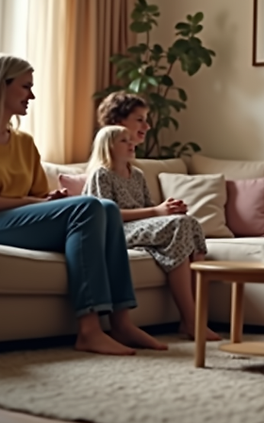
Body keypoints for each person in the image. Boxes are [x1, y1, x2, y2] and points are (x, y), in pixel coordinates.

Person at [0, 54, 167, 356]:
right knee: (88, 206)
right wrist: (34, 202)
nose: (31, 95)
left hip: (21, 222)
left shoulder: (23, 142)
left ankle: (122, 322)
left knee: (107, 209)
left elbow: (36, 194)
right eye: (25, 87)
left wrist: (48, 201)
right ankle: (88, 331)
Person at [83, 121, 221, 342]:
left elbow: (148, 207)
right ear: (108, 147)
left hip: (140, 226)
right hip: (116, 231)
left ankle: (195, 318)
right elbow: (106, 214)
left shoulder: (136, 174)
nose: (131, 144)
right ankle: (191, 320)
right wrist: (158, 211)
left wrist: (169, 211)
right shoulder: (102, 175)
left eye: (131, 140)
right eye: (124, 141)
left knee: (189, 222)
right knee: (180, 225)